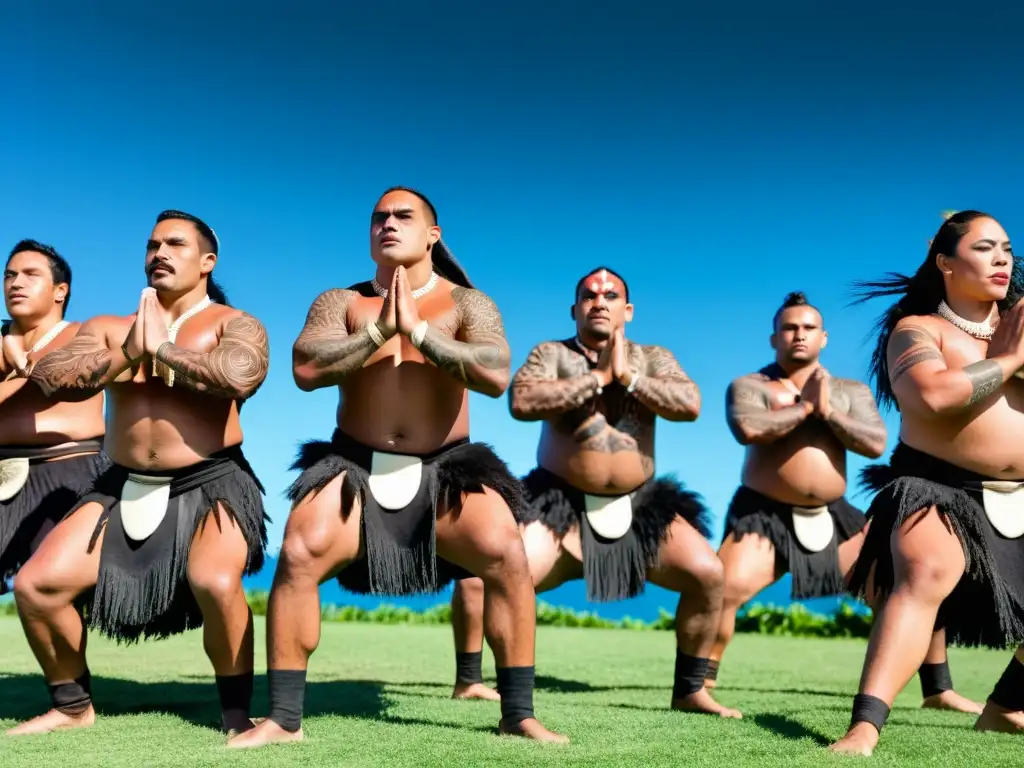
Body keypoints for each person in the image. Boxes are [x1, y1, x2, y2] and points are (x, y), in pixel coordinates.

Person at [229, 187, 565, 749]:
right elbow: (306, 366)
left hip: (448, 465)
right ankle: (284, 718)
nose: (388, 223)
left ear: (433, 234)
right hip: (351, 462)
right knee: (300, 550)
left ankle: (518, 712)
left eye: (403, 216)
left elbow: (495, 371)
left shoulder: (468, 303)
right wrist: (380, 331)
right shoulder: (342, 301)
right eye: (378, 217)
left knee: (506, 553)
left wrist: (423, 333)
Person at [6, 211, 270, 739]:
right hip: (119, 484)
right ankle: (73, 705)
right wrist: (129, 351)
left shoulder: (232, 322)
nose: (160, 253)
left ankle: (237, 714)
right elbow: (56, 378)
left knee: (216, 583)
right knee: (37, 586)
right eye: (152, 245)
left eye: (175, 244)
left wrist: (163, 351)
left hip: (211, 479)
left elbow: (242, 375)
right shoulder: (108, 327)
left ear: (207, 261)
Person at [448, 266, 739, 718]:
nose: (599, 301)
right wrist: (598, 379)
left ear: (628, 310)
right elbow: (522, 401)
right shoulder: (551, 353)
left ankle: (690, 690)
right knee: (487, 577)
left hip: (641, 503)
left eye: (610, 295)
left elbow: (690, 404)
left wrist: (630, 379)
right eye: (588, 295)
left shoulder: (654, 357)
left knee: (708, 574)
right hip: (555, 500)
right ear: (575, 308)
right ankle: (471, 680)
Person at [711, 291, 978, 713]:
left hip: (835, 516)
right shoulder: (750, 385)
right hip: (762, 511)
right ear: (774, 338)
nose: (798, 335)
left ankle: (938, 691)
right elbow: (748, 428)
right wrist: (807, 408)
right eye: (789, 328)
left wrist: (830, 411)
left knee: (907, 580)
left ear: (824, 337)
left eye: (808, 328)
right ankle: (698, 687)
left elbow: (875, 443)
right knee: (722, 589)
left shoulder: (849, 390)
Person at [831, 210, 1024, 756]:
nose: (1002, 258)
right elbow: (932, 397)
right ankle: (863, 729)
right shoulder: (917, 330)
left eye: (1007, 248)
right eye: (985, 248)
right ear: (945, 262)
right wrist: (1008, 361)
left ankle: (1006, 708)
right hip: (938, 486)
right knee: (926, 569)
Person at [0, 240, 107, 596]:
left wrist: (21, 360)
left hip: (67, 471)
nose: (16, 283)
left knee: (51, 591)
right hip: (4, 473)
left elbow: (61, 379)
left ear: (61, 291)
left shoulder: (84, 335)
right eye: (9, 275)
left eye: (30, 275)